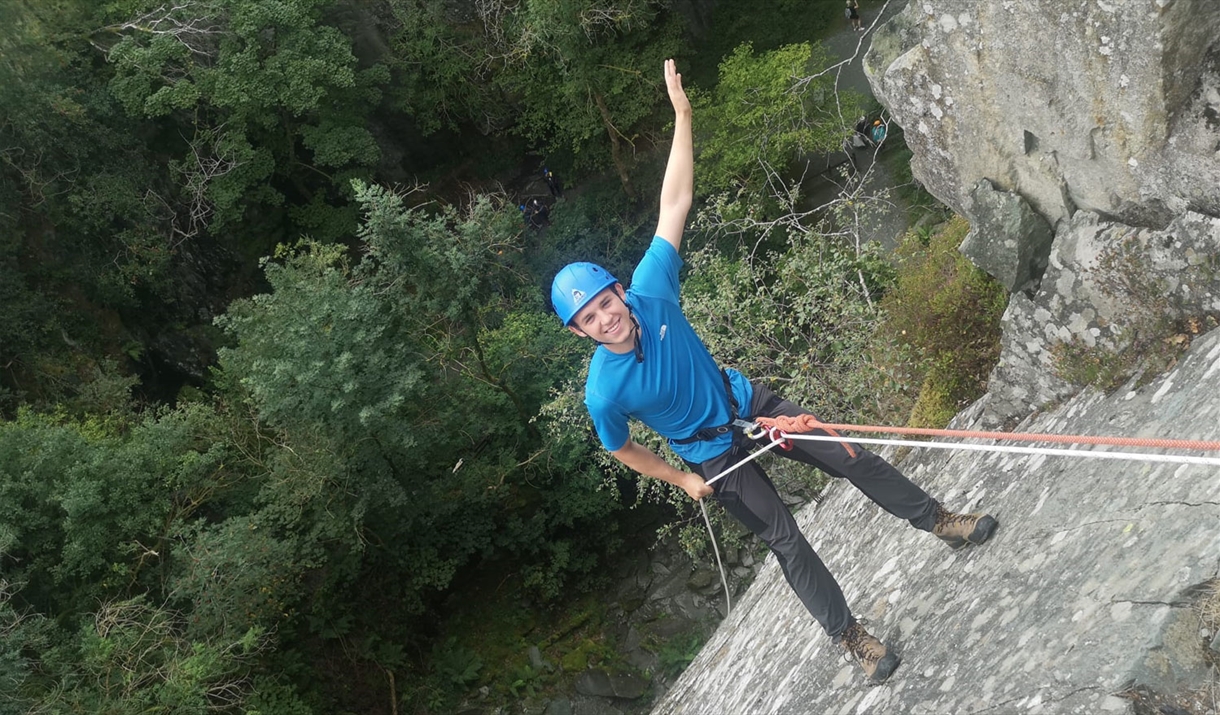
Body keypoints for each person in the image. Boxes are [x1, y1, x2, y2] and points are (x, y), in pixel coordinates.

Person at [550, 59, 998, 683]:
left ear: (620, 292)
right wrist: (681, 481)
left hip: (749, 405)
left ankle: (941, 522)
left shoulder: (654, 292)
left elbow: (674, 199)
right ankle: (851, 637)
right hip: (713, 458)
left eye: (605, 304)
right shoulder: (604, 392)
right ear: (578, 334)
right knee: (786, 538)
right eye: (589, 320)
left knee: (850, 455)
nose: (605, 320)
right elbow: (623, 449)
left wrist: (682, 115)